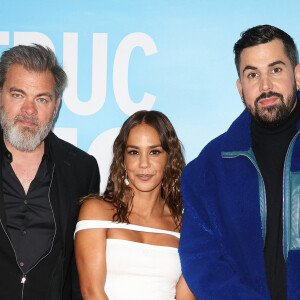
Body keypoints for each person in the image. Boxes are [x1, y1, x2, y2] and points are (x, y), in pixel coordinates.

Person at [179, 25, 300, 300]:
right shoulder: (207, 170)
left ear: (298, 74)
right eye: (253, 75)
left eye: (276, 69)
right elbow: (201, 261)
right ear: (240, 87)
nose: (265, 85)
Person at [0, 44, 100, 299]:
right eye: (18, 95)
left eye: (41, 99)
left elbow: (82, 268)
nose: (29, 110)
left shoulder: (81, 169)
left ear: (56, 107)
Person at [74, 110, 195, 300]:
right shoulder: (97, 211)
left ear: (169, 158)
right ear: (123, 159)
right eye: (134, 152)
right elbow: (92, 292)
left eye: (154, 152)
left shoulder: (184, 224)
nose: (144, 163)